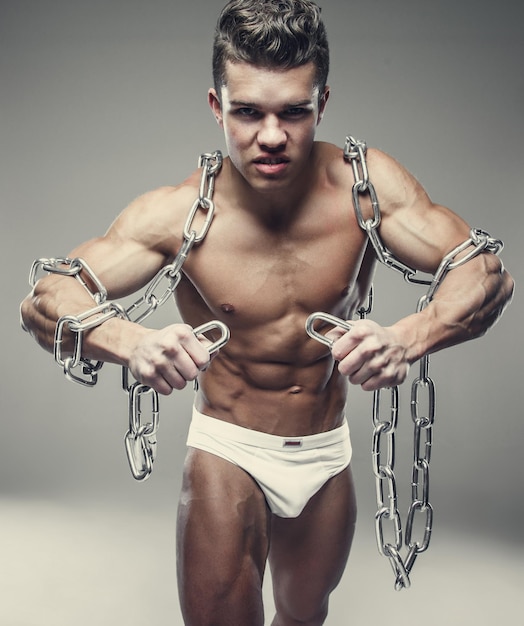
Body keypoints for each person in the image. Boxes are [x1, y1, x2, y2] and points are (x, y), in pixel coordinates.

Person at [20, 0, 514, 624]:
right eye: (247, 112)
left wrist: (408, 337)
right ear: (216, 107)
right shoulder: (179, 214)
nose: (272, 136)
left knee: (303, 617)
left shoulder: (367, 186)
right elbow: (47, 297)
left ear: (323, 104)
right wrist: (129, 342)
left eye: (294, 112)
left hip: (325, 452)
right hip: (231, 448)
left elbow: (485, 273)